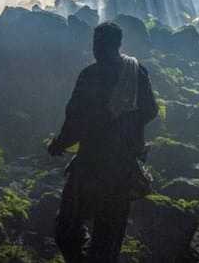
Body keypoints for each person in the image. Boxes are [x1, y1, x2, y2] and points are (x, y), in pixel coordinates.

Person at [47, 21, 158, 262]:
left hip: (90, 164)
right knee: (108, 237)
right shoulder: (136, 72)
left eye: (98, 43)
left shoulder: (91, 75)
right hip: (122, 167)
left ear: (109, 44)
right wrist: (129, 123)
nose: (95, 48)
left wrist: (58, 145)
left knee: (68, 225)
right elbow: (151, 110)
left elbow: (75, 121)